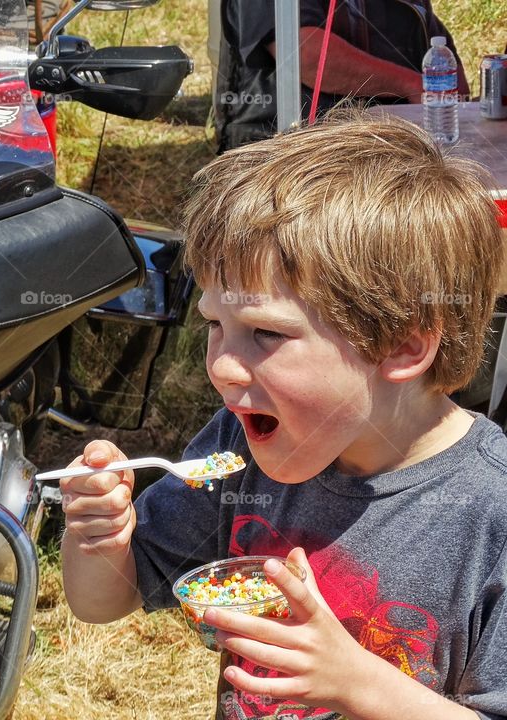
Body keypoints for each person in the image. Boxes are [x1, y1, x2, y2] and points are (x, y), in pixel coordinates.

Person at [59, 113, 507, 719]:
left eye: (265, 333)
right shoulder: (237, 452)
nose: (219, 365)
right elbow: (106, 601)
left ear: (402, 346)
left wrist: (355, 683)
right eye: (216, 325)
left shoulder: (490, 512)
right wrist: (99, 539)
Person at [214, 0, 470, 152]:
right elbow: (305, 54)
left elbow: (435, 44)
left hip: (392, 149)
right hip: (297, 148)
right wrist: (409, 84)